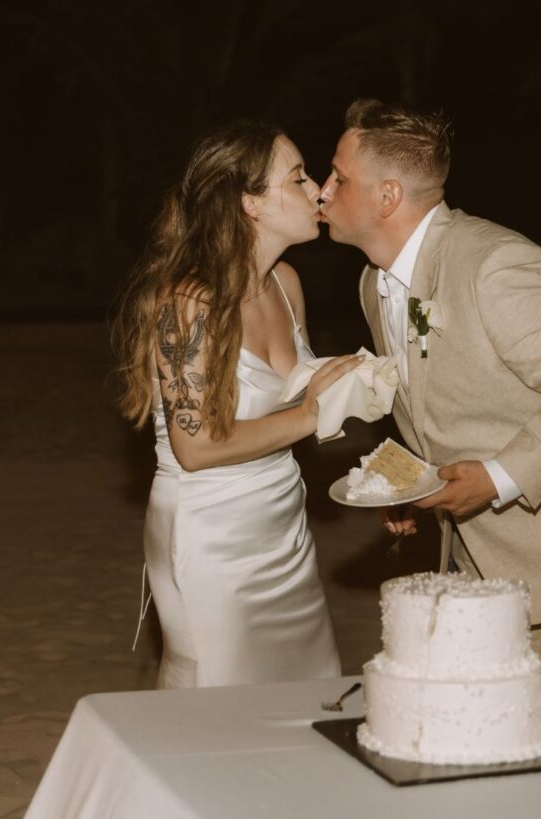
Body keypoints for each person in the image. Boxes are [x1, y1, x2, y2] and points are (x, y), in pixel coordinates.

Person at [319, 99, 541, 690]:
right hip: (484, 561)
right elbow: (439, 397)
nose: (322, 190)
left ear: (387, 197)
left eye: (339, 178)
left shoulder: (495, 263)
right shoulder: (372, 282)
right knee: (502, 733)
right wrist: (416, 485)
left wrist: (498, 475)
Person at [113, 121, 362, 688]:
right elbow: (195, 447)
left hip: (282, 521)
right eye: (297, 178)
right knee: (217, 689)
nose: (318, 189)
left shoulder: (286, 284)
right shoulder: (190, 303)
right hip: (210, 529)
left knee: (302, 685)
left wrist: (353, 382)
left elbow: (290, 402)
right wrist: (309, 414)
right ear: (249, 202)